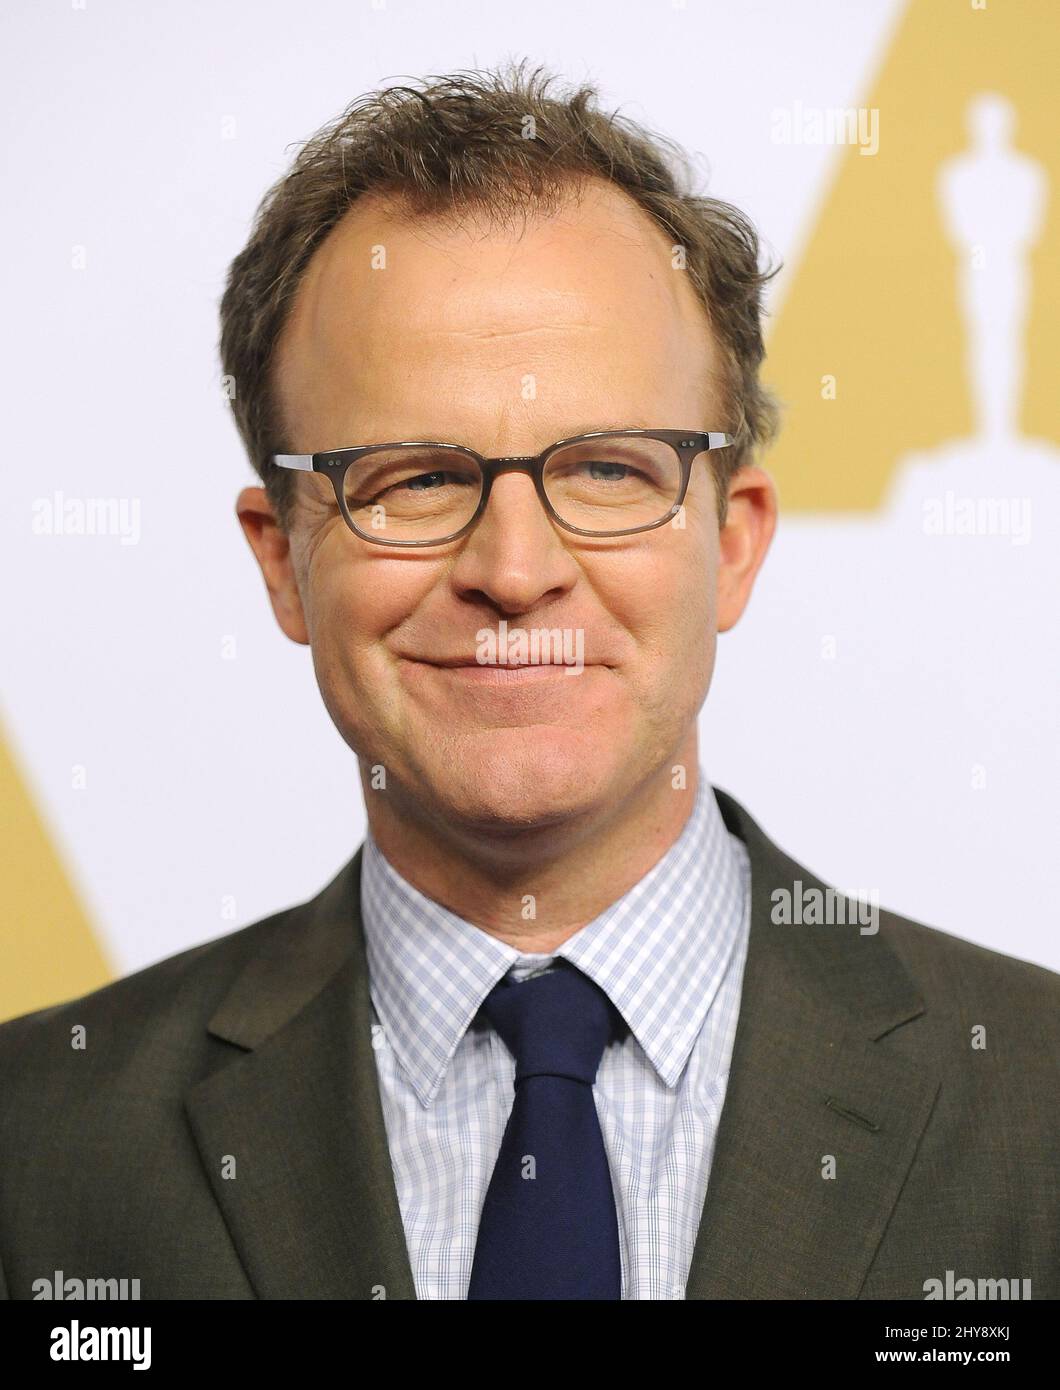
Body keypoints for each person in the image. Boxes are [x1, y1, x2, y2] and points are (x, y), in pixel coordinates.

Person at [1, 63, 1056, 1302]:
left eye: (609, 469)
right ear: (282, 559)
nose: (514, 569)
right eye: (415, 478)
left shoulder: (1034, 1102)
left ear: (735, 538)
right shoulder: (39, 1147)